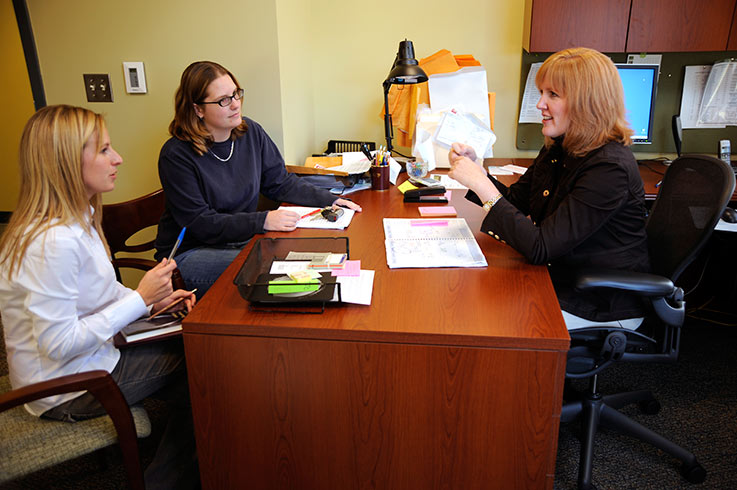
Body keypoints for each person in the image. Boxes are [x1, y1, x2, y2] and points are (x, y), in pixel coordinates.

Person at [0, 105, 198, 489]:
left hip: (93, 357)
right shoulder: (51, 241)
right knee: (206, 370)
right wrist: (139, 301)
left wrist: (155, 302)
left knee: (203, 371)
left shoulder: (79, 215)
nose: (118, 158)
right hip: (66, 388)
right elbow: (58, 344)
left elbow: (100, 292)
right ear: (67, 163)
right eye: (104, 150)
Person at [448, 47, 651, 330]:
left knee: (484, 320)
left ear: (586, 103)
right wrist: (477, 172)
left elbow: (541, 247)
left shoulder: (609, 168)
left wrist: (481, 185)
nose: (540, 104)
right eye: (542, 92)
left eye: (552, 95)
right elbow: (518, 201)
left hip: (599, 299)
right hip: (561, 274)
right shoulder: (562, 147)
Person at [155, 61, 362, 297]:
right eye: (223, 100)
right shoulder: (176, 155)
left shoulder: (250, 132)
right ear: (198, 109)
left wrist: (329, 200)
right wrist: (262, 220)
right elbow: (200, 224)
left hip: (242, 240)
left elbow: (280, 182)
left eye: (236, 94)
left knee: (307, 257)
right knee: (275, 270)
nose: (235, 104)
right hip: (193, 253)